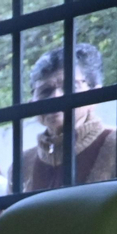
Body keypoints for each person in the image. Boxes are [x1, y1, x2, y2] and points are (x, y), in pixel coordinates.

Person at [20, 43, 115, 191]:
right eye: (45, 91)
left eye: (70, 86)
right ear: (31, 103)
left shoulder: (113, 145)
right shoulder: (22, 165)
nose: (56, 97)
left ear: (95, 94)